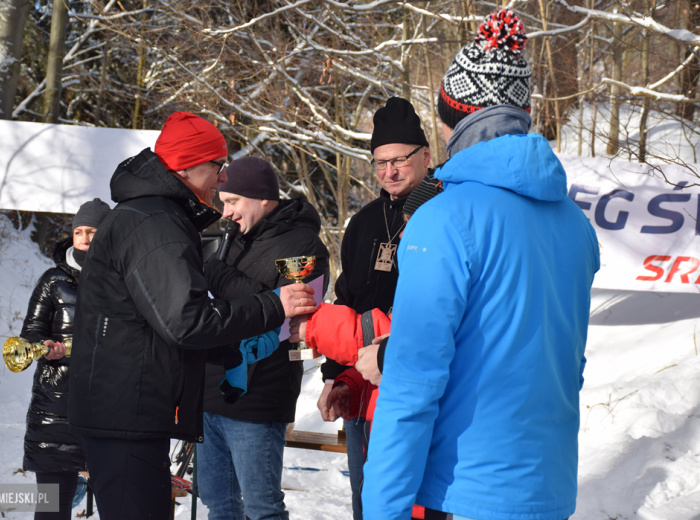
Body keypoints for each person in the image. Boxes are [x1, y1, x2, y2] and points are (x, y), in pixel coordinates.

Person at [362, 9, 600, 520]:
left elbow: (413, 382)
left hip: (468, 490)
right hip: (548, 488)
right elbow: (563, 363)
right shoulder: (574, 223)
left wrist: (383, 510)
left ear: (454, 119)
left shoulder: (443, 218)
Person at [68, 112, 317, 520]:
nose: (222, 180)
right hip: (126, 411)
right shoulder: (156, 223)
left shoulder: (152, 215)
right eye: (218, 167)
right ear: (187, 166)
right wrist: (273, 304)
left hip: (129, 408)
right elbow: (187, 320)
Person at [317, 95, 433, 520]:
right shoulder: (364, 222)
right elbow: (346, 299)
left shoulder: (442, 211)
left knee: (413, 505)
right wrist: (335, 378)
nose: (389, 171)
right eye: (380, 162)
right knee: (367, 505)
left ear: (425, 155)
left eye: (399, 160)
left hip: (415, 386)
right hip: (359, 384)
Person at [197, 156, 330, 520]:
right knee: (218, 504)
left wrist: (219, 278)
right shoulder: (230, 239)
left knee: (261, 508)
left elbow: (289, 317)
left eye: (232, 201)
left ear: (261, 198)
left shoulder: (303, 245)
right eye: (223, 202)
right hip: (210, 392)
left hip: (257, 398)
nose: (226, 212)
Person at [20, 198, 111, 520]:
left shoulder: (125, 279)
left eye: (93, 231)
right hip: (55, 408)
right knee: (51, 509)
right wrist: (42, 345)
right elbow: (31, 330)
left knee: (119, 506)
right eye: (79, 231)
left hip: (108, 406)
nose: (85, 238)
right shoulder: (52, 280)